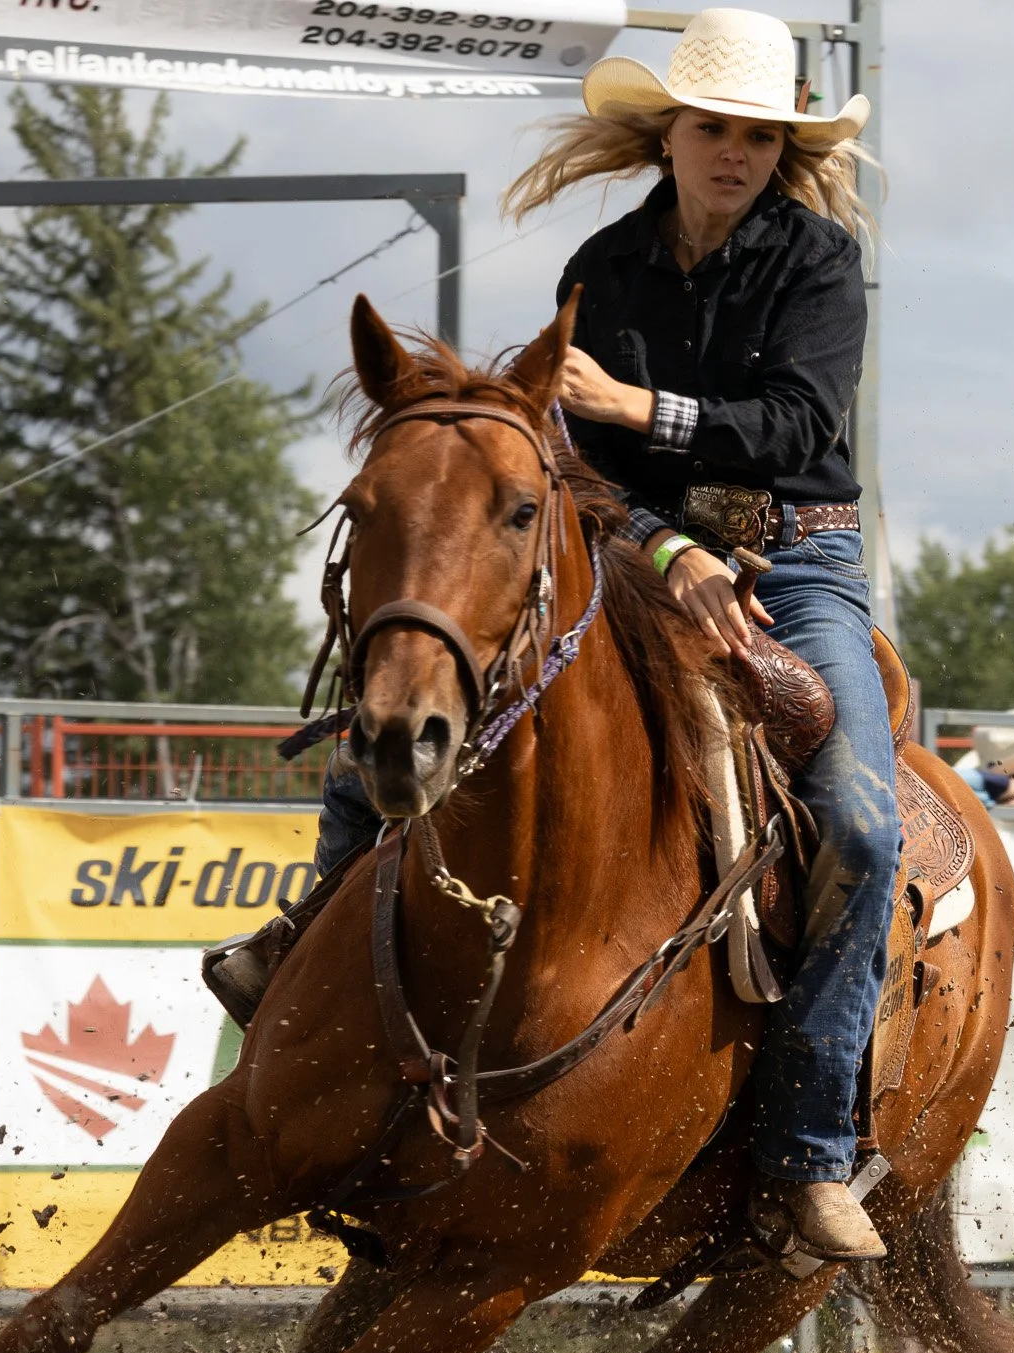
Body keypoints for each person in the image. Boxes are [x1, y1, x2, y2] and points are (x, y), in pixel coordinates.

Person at [211, 8, 891, 1261]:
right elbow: (564, 461)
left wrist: (641, 405)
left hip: (801, 559)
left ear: (779, 149)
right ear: (670, 136)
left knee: (860, 816)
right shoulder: (609, 264)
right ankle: (307, 933)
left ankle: (806, 1149)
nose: (732, 151)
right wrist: (667, 545)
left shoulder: (819, 265)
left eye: (756, 134)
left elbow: (797, 430)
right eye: (712, 128)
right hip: (636, 547)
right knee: (426, 696)